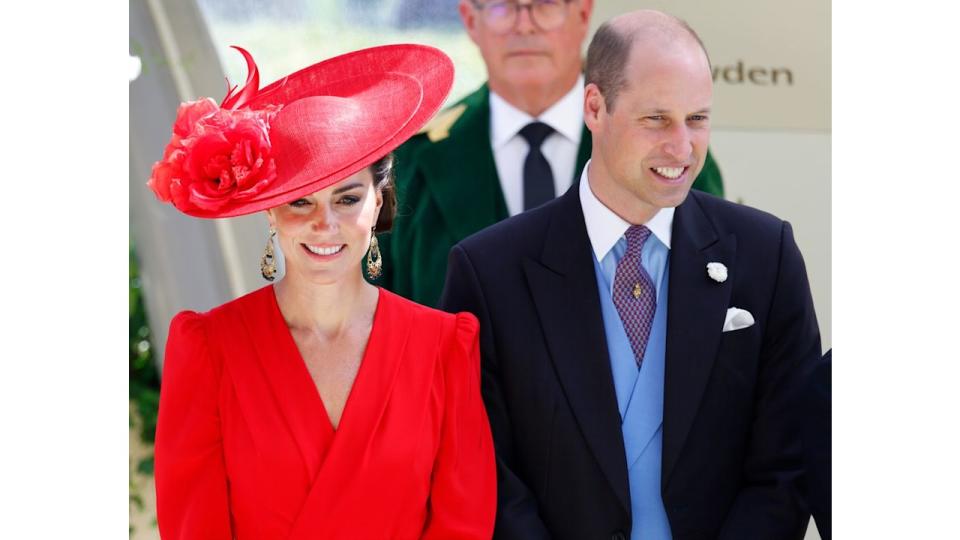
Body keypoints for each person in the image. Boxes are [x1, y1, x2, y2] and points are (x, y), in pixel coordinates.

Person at [441, 10, 821, 540]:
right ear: (594, 107)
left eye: (697, 119)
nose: (682, 147)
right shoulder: (488, 272)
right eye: (657, 119)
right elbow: (486, 471)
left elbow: (787, 464)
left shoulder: (766, 256)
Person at [149, 45, 496, 539]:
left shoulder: (445, 347)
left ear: (379, 202)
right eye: (299, 201)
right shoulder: (208, 348)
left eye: (347, 198)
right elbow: (191, 528)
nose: (324, 224)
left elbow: (465, 525)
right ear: (269, 211)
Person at [383, 0, 725, 308]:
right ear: (471, 20)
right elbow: (381, 314)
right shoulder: (414, 158)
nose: (525, 24)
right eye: (504, 7)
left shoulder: (666, 150)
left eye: (545, 5)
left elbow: (708, 293)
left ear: (582, 13)